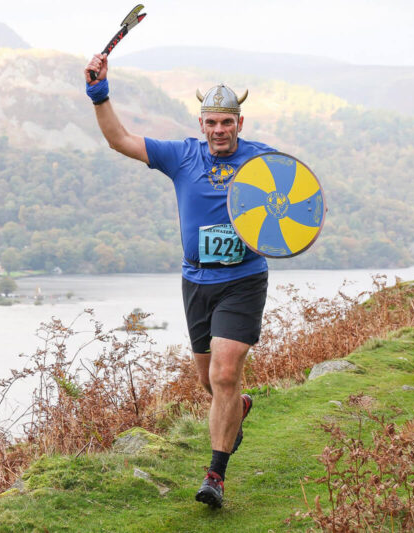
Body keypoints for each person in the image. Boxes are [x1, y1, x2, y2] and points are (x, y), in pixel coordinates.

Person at [84, 53, 274, 508]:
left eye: (227, 122)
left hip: (243, 279)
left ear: (240, 123)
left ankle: (215, 476)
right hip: (197, 283)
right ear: (202, 122)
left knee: (226, 373)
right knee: (211, 383)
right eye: (212, 122)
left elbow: (297, 204)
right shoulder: (182, 155)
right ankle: (237, 409)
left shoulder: (263, 161)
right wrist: (98, 93)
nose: (219, 130)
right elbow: (120, 140)